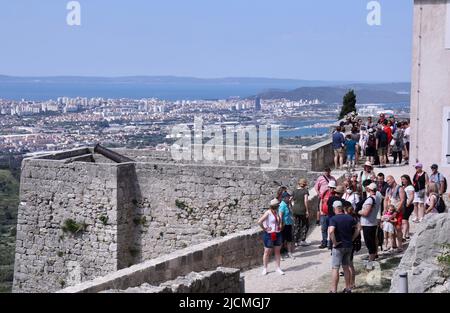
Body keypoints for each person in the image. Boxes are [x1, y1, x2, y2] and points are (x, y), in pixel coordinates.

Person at [328, 201, 361, 293]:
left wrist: (334, 242)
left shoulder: (333, 219)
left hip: (338, 247)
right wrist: (353, 238)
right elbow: (358, 227)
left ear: (335, 208)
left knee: (335, 268)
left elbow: (331, 231)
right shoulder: (349, 218)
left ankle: (334, 290)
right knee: (346, 267)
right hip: (348, 245)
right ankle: (348, 288)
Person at [257, 199, 284, 275]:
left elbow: (278, 221)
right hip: (269, 234)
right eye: (277, 205)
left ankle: (278, 268)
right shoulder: (268, 213)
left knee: (277, 251)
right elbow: (259, 221)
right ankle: (265, 268)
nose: (278, 206)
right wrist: (265, 229)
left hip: (277, 233)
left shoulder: (277, 212)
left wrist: (280, 224)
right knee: (266, 252)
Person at [358, 183, 380, 270]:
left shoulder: (370, 199)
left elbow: (366, 213)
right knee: (372, 243)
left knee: (370, 244)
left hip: (368, 224)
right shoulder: (377, 197)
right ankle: (372, 260)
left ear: (370, 190)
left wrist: (358, 211)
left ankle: (370, 264)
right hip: (372, 223)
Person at [384, 176, 406, 252]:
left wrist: (396, 211)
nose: (387, 182)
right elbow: (386, 200)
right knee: (391, 228)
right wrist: (384, 210)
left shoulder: (399, 188)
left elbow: (402, 200)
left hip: (398, 211)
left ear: (393, 179)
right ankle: (394, 245)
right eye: (386, 181)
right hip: (390, 211)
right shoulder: (388, 189)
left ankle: (400, 245)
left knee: (398, 228)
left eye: (388, 180)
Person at [343, 204, 361, 289]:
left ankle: (351, 284)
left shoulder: (349, 219)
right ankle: (352, 283)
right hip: (353, 243)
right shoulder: (355, 218)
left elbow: (358, 228)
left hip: (349, 243)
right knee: (350, 264)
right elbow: (358, 228)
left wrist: (352, 238)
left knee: (349, 265)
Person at [292, 179, 310, 247]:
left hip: (295, 210)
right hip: (302, 210)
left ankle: (296, 241)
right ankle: (302, 240)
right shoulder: (305, 191)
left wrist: (292, 207)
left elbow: (291, 199)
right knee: (305, 225)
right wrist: (307, 210)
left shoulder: (294, 191)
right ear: (304, 184)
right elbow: (305, 201)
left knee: (297, 225)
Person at [319, 181, 336, 249]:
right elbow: (321, 201)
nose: (331, 189)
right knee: (324, 229)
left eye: (333, 188)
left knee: (331, 230)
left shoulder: (335, 195)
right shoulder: (325, 192)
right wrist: (320, 211)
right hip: (324, 214)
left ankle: (330, 244)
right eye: (330, 187)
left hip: (331, 215)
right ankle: (324, 242)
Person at [279, 192, 295, 259]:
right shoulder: (282, 205)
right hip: (284, 225)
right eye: (288, 197)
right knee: (281, 240)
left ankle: (289, 253)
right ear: (284, 198)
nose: (289, 198)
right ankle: (279, 255)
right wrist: (281, 224)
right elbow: (280, 215)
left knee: (289, 239)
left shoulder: (287, 204)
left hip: (288, 224)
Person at [401, 175, 415, 241]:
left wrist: (407, 205)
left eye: (403, 179)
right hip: (405, 205)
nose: (402, 181)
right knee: (405, 220)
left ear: (407, 179)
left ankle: (403, 236)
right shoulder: (404, 187)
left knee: (404, 220)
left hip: (408, 205)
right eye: (402, 179)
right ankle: (407, 235)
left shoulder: (410, 187)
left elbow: (411, 197)